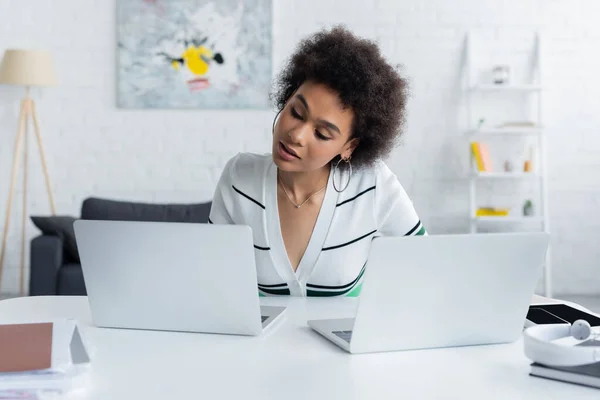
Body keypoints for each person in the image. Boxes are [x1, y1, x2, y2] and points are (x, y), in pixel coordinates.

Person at [209, 25, 426, 297]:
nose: (296, 135)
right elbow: (213, 278)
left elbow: (426, 267)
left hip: (344, 340)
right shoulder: (239, 179)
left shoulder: (372, 185)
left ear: (349, 147)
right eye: (296, 112)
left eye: (322, 134)